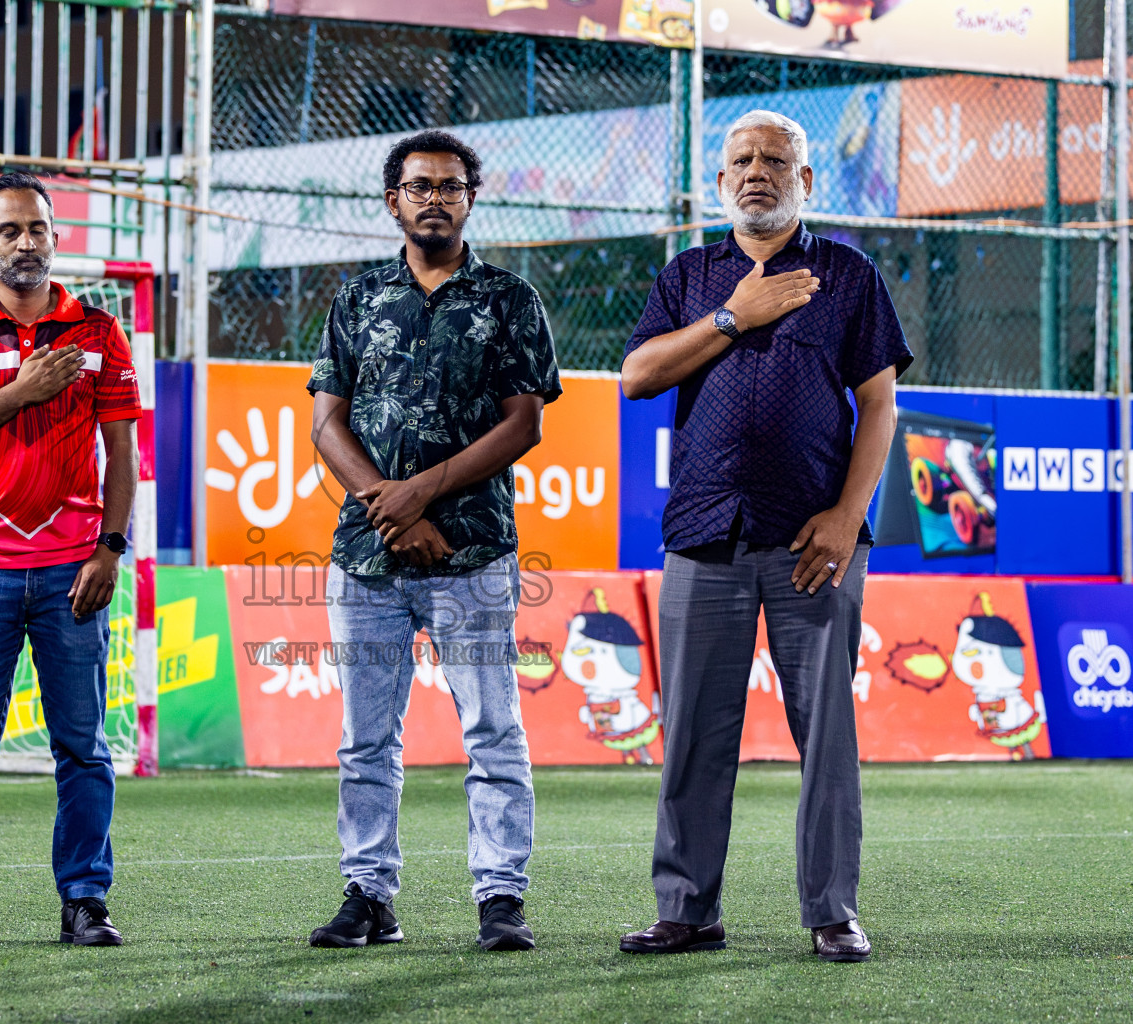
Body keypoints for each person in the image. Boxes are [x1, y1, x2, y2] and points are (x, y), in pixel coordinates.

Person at [618, 111, 911, 963]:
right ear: (719, 183)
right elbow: (637, 376)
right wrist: (732, 316)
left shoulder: (847, 274)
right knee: (694, 736)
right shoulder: (690, 277)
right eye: (741, 160)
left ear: (806, 180)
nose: (757, 171)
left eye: (775, 160)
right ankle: (686, 909)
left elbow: (881, 405)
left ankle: (831, 910)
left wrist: (849, 517)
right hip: (703, 533)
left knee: (826, 736)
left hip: (812, 546)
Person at [306, 129, 561, 952]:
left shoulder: (510, 298)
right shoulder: (356, 300)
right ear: (394, 201)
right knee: (365, 740)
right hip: (367, 556)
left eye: (451, 186)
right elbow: (326, 423)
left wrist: (427, 494)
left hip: (474, 554)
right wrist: (393, 508)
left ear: (470, 199)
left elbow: (524, 424)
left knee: (492, 732)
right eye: (419, 186)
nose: (435, 198)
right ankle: (369, 896)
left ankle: (500, 900)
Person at [0, 172, 140, 948]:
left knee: (83, 747)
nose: (26, 242)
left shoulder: (100, 331)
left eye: (38, 228)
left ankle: (85, 902)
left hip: (76, 569)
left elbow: (122, 453)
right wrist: (22, 389)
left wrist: (111, 548)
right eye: (9, 231)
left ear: (55, 236)